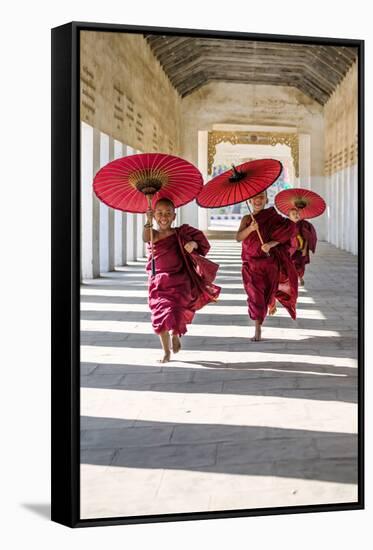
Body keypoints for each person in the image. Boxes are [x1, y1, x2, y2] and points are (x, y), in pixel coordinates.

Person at [143, 198, 221, 362]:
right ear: (155, 216)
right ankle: (166, 352)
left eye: (168, 213)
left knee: (176, 311)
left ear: (174, 216)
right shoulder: (153, 234)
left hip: (180, 280)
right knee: (160, 315)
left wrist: (192, 243)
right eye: (159, 213)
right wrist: (147, 221)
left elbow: (201, 242)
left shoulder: (181, 233)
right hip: (159, 282)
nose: (164, 217)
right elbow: (145, 238)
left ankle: (176, 334)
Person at [236, 191, 298, 341]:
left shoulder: (273, 217)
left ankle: (271, 300)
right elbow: (238, 238)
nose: (258, 200)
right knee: (255, 296)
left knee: (267, 291)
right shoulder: (246, 219)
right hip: (251, 264)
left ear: (266, 199)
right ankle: (258, 328)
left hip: (269, 263)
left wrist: (271, 244)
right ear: (249, 200)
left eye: (261, 197)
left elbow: (284, 235)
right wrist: (250, 228)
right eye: (254, 197)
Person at [288, 207, 317, 286]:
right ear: (289, 216)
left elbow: (306, 237)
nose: (296, 215)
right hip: (291, 250)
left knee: (300, 265)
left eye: (297, 214)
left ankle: (300, 276)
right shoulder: (287, 225)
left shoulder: (302, 225)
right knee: (291, 265)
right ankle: (293, 279)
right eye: (293, 214)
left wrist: (304, 249)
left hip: (300, 249)